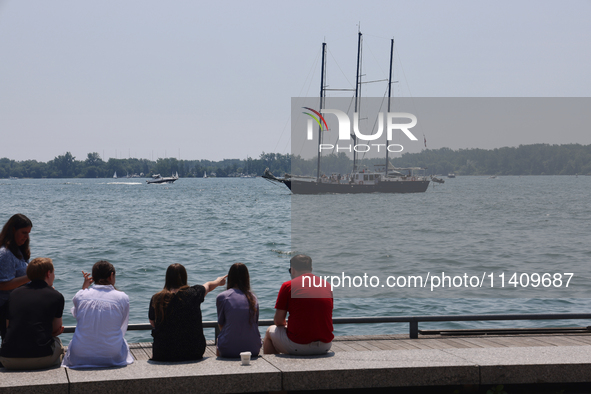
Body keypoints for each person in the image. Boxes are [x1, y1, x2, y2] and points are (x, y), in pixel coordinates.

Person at [61, 260, 133, 368]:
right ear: (111, 275)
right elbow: (122, 326)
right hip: (112, 355)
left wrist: (84, 288)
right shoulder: (122, 297)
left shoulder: (80, 295)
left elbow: (78, 315)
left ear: (93, 277)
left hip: (80, 355)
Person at [148, 263, 227, 361]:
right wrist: (218, 281)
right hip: (193, 351)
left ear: (167, 278)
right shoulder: (194, 293)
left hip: (163, 352)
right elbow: (208, 285)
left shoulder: (156, 298)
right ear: (185, 277)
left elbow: (153, 323)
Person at [0, 257, 64, 370]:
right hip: (41, 358)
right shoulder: (56, 296)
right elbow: (56, 330)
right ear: (48, 273)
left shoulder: (14, 294)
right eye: (53, 272)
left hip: (7, 358)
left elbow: (8, 326)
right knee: (58, 343)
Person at [263, 254, 333, 355]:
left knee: (270, 331)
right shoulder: (327, 285)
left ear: (292, 270)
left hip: (298, 345)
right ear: (311, 269)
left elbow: (278, 321)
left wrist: (287, 325)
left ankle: (272, 368)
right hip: (325, 345)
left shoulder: (288, 286)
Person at [216, 263, 261, 358]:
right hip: (253, 349)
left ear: (230, 278)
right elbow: (255, 323)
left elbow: (221, 325)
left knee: (219, 340)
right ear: (247, 278)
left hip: (228, 349)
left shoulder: (222, 297)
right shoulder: (253, 298)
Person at [0, 214, 33, 339]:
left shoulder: (19, 251)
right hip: (7, 309)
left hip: (19, 305)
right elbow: (3, 285)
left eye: (28, 233)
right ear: (13, 230)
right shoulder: (5, 254)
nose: (27, 237)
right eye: (24, 232)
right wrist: (31, 276)